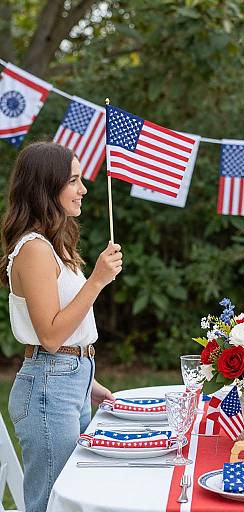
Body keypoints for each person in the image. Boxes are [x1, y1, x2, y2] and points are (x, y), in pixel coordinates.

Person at [0, 142, 123, 511]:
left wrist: (87, 382)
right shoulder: (33, 249)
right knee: (53, 503)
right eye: (73, 180)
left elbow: (64, 333)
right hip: (48, 392)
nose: (83, 188)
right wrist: (97, 280)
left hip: (66, 384)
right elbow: (51, 336)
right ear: (45, 187)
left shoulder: (52, 245)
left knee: (74, 498)